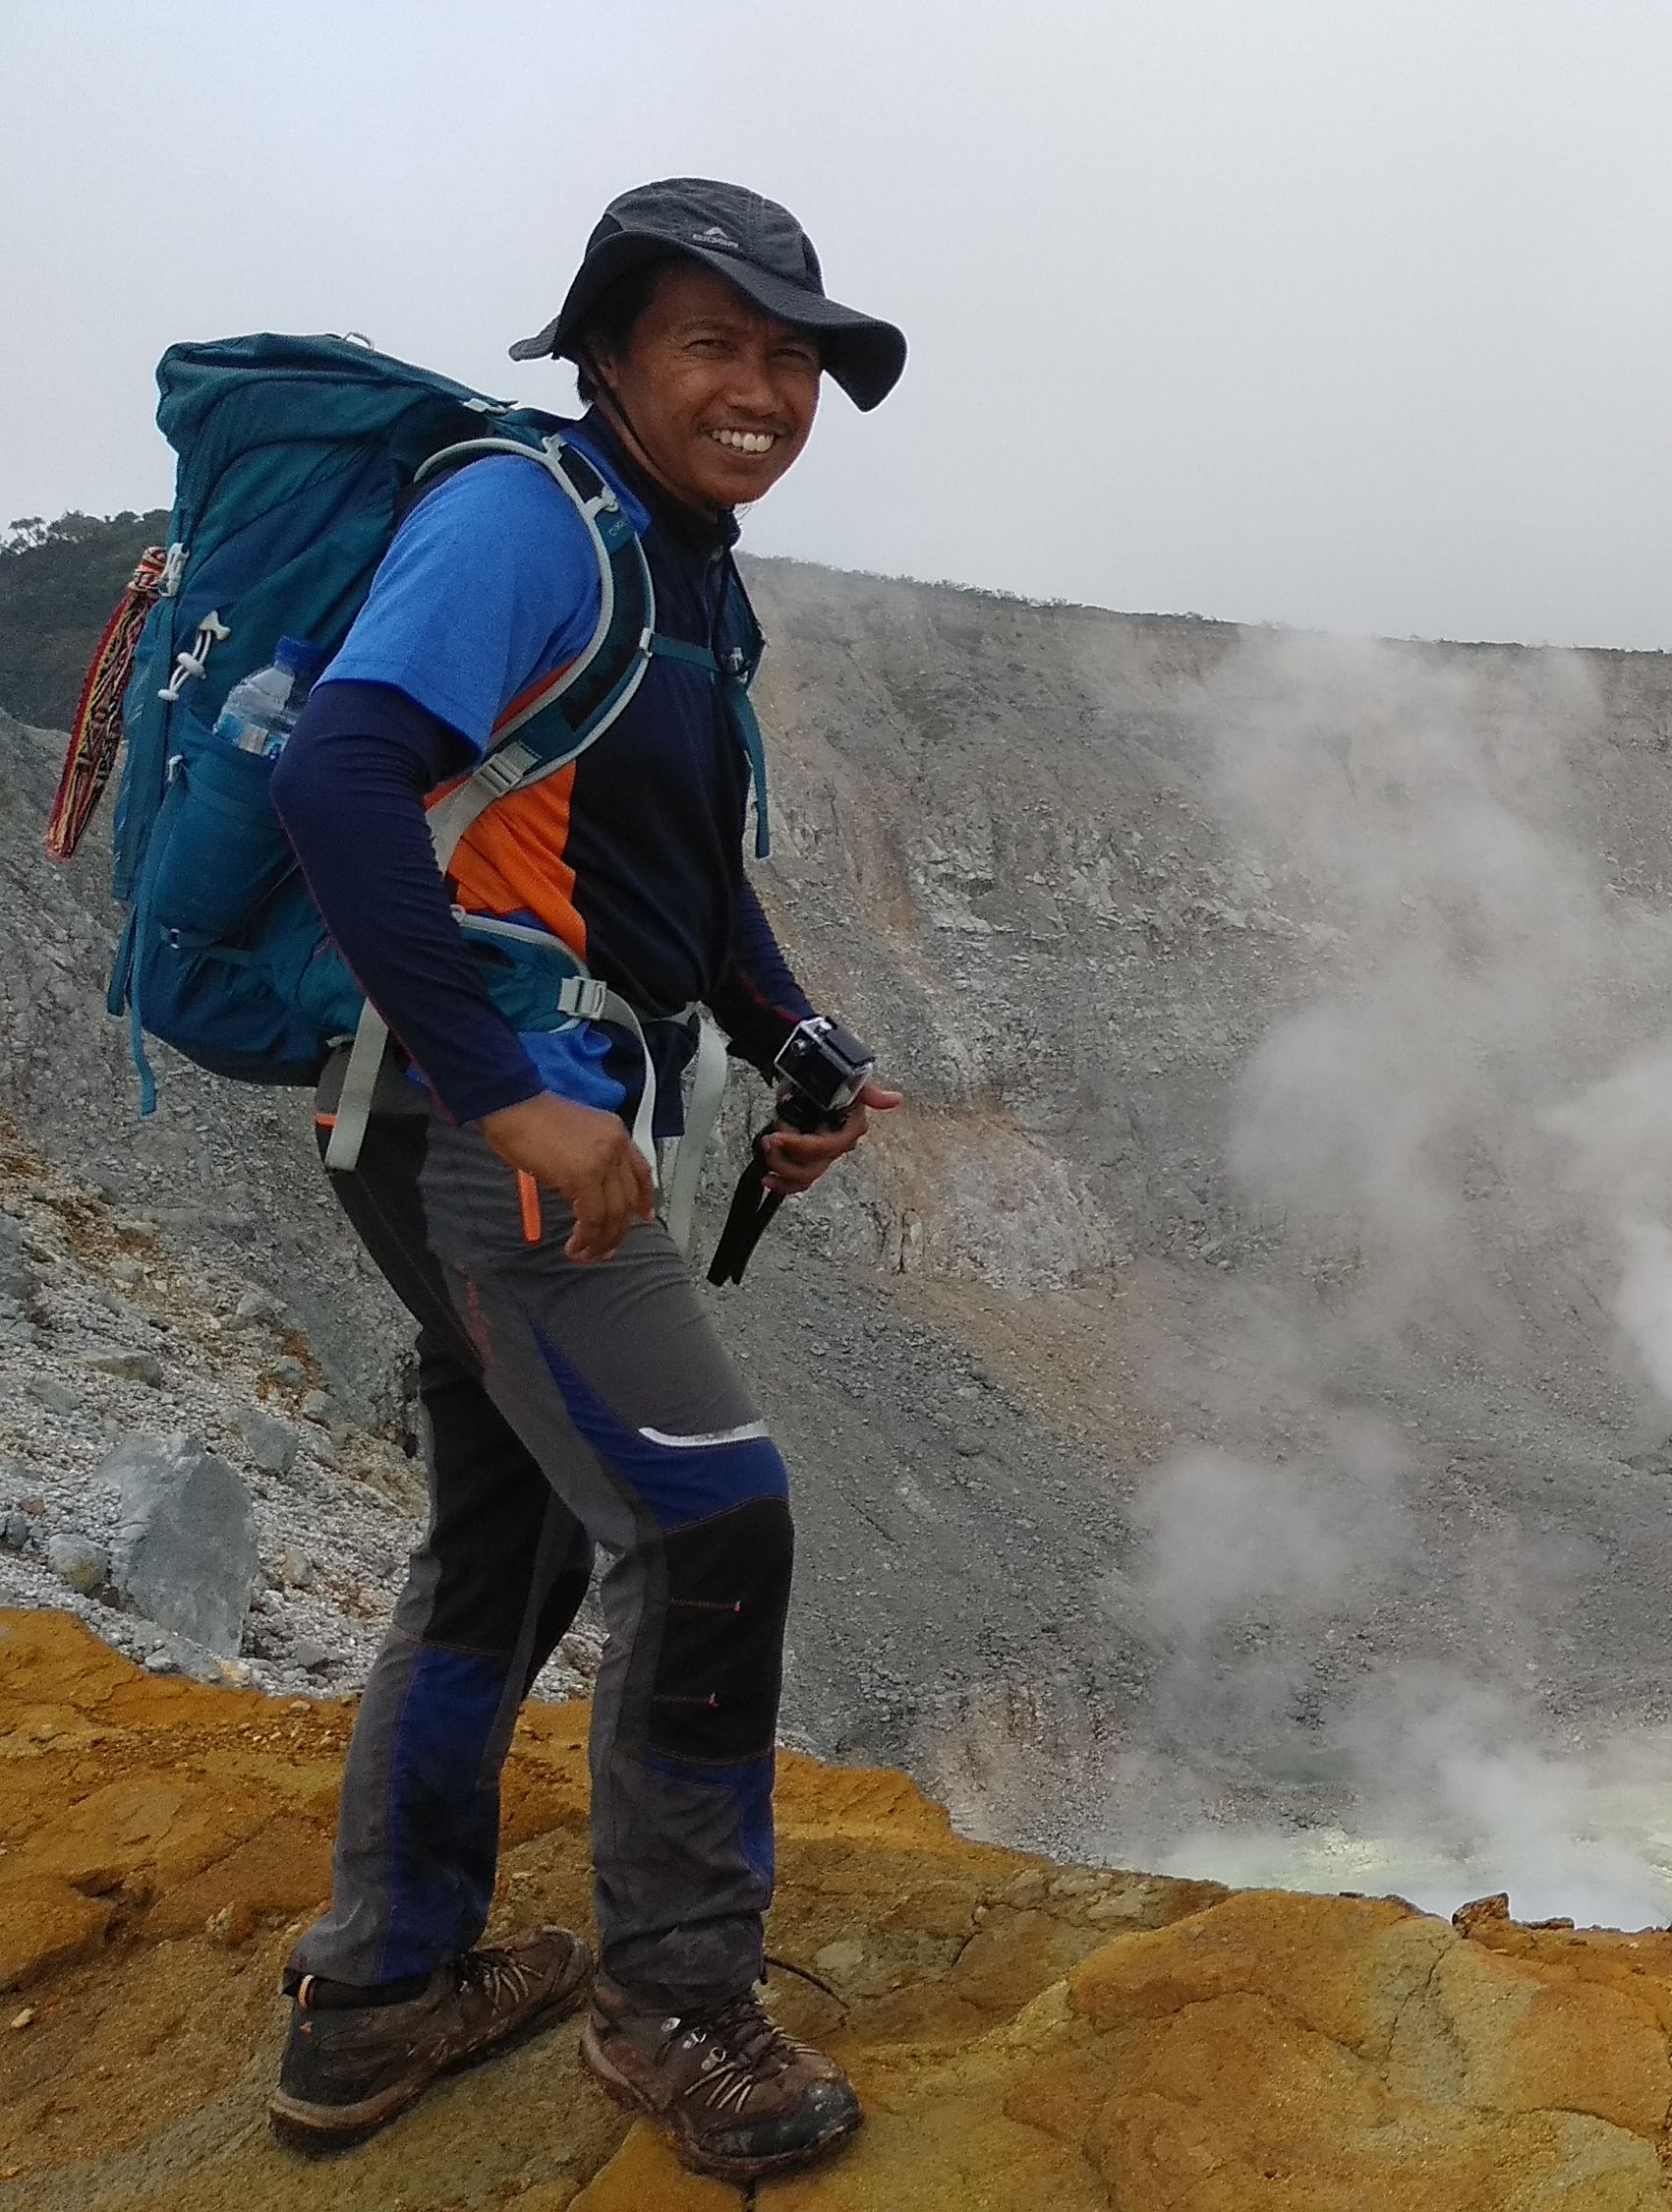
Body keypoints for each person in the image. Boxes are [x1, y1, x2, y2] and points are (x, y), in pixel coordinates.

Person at [259, 178, 910, 2183]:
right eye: (715, 342)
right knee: (712, 1521)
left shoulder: (680, 571)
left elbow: (679, 876)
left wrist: (792, 1035)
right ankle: (674, 2012)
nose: (764, 387)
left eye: (794, 355)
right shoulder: (523, 518)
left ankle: (380, 1997)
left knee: (512, 1536)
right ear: (608, 352)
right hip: (488, 1124)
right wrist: (499, 1089)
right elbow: (342, 774)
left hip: (525, 1099)